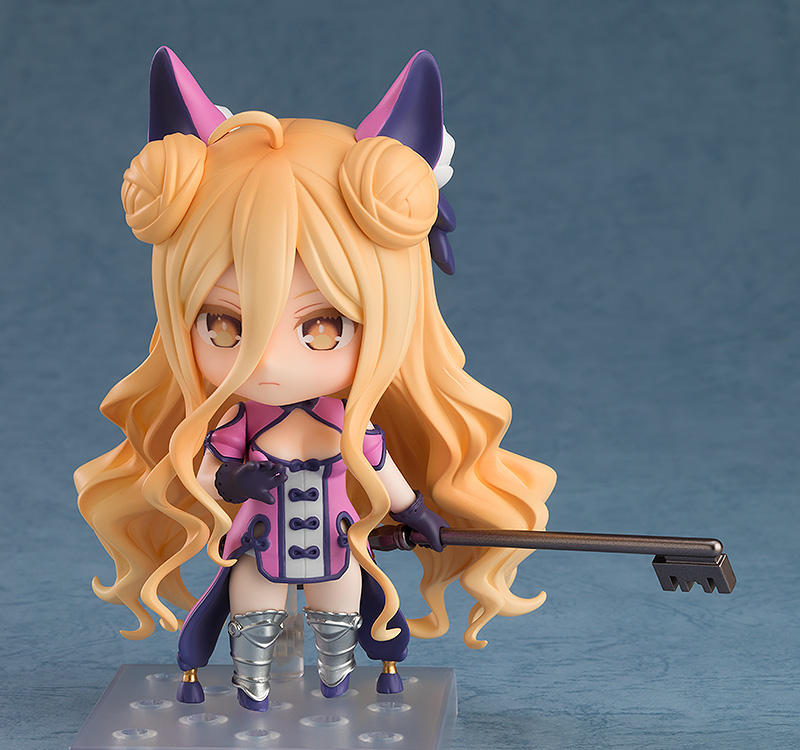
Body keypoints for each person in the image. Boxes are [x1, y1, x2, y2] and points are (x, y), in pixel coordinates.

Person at [75, 47, 556, 712]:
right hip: (260, 545)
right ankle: (253, 683)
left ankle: (335, 680)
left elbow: (382, 474)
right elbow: (206, 471)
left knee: (340, 614)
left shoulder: (343, 424)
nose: (268, 362)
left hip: (335, 545)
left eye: (322, 327)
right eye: (224, 326)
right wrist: (232, 482)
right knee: (254, 612)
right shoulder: (236, 426)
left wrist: (416, 512)